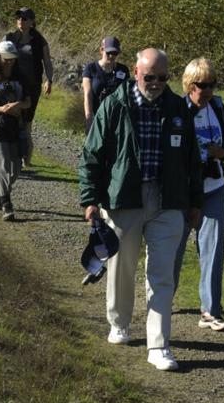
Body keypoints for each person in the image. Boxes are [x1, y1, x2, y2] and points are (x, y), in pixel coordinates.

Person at [79, 48, 204, 371]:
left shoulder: (179, 109)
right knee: (122, 268)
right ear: (135, 72)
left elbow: (193, 160)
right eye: (150, 77)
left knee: (162, 275)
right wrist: (90, 198)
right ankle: (119, 323)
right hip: (125, 198)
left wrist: (195, 202)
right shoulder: (115, 105)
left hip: (168, 202)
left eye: (163, 78)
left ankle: (159, 346)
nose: (157, 83)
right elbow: (92, 154)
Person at [172, 57, 224, 332]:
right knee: (172, 248)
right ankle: (163, 298)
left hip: (214, 188)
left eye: (212, 84)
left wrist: (216, 153)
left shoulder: (219, 108)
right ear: (189, 85)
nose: (207, 90)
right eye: (201, 85)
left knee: (212, 250)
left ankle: (210, 311)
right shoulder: (177, 110)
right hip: (182, 191)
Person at [1, 7, 55, 168]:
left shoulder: (39, 40)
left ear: (32, 21)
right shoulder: (9, 37)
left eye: (24, 18)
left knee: (27, 122)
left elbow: (47, 61)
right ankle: (11, 156)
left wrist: (49, 80)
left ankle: (27, 159)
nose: (20, 21)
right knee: (11, 118)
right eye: (18, 18)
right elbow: (0, 58)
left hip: (32, 86)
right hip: (12, 85)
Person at [0, 41, 29, 221]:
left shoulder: (21, 79)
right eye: (6, 59)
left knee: (16, 166)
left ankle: (0, 193)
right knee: (2, 163)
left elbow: (28, 102)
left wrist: (18, 105)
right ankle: (6, 203)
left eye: (13, 59)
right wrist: (2, 109)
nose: (10, 62)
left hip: (16, 126)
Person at [82, 36, 130, 130]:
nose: (112, 56)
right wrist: (89, 118)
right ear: (101, 50)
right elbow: (87, 95)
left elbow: (127, 95)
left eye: (115, 53)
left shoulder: (123, 70)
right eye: (109, 53)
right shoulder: (91, 68)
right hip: (97, 116)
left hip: (117, 119)